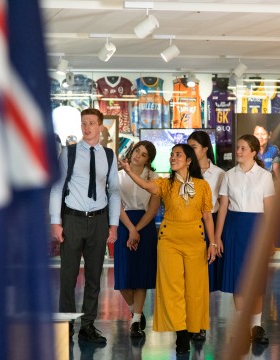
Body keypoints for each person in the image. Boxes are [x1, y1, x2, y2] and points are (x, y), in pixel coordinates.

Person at [119, 144, 218, 355]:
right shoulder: (164, 183)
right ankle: (181, 333)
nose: (173, 158)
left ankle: (193, 327)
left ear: (189, 160)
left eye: (178, 155)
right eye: (172, 155)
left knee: (194, 289)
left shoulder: (202, 186)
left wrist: (213, 242)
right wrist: (128, 171)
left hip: (195, 240)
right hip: (169, 241)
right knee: (172, 289)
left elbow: (208, 216)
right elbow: (147, 186)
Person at [49, 108, 120, 344]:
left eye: (91, 123)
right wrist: (56, 223)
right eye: (83, 123)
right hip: (73, 219)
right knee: (68, 277)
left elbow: (115, 192)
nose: (87, 127)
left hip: (98, 221)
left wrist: (113, 224)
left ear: (101, 126)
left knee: (93, 277)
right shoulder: (68, 153)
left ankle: (87, 326)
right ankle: (66, 325)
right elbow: (57, 188)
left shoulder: (109, 156)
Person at [215, 134, 275, 344]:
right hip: (233, 228)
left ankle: (256, 326)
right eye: (237, 148)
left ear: (253, 152)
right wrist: (217, 237)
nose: (238, 152)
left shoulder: (265, 176)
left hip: (257, 229)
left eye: (242, 148)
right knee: (238, 279)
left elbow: (269, 209)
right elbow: (223, 207)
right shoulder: (229, 175)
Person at [111, 141, 160, 338]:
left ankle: (136, 321)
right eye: (137, 151)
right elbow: (116, 205)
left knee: (141, 277)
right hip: (124, 224)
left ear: (149, 160)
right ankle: (135, 312)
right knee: (123, 279)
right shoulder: (118, 175)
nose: (138, 155)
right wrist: (130, 229)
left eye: (144, 154)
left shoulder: (154, 178)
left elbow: (153, 209)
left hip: (145, 227)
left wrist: (137, 229)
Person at [187, 130, 225, 341]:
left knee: (204, 278)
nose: (190, 151)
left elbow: (220, 207)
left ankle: (199, 322)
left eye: (193, 147)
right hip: (187, 225)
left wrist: (215, 238)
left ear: (205, 149)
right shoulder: (183, 172)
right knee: (188, 277)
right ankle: (189, 320)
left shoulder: (219, 174)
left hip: (208, 225)